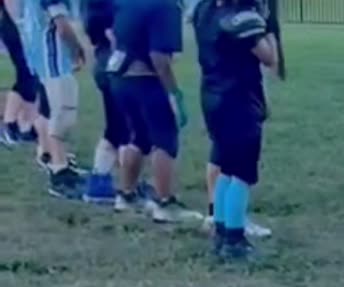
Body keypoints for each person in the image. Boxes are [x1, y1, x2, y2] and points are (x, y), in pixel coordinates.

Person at [191, 0, 277, 260]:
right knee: (241, 171)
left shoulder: (204, 9)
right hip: (238, 97)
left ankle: (221, 229)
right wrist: (268, 28)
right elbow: (268, 56)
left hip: (212, 93)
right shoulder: (241, 16)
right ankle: (235, 239)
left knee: (226, 165)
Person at [111, 0, 201, 222]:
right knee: (165, 139)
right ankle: (165, 203)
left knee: (139, 136)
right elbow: (159, 57)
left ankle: (126, 195)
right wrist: (173, 93)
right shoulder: (166, 7)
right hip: (146, 80)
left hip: (121, 78)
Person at [19, 0, 85, 199]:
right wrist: (76, 50)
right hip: (53, 63)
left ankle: (47, 154)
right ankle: (59, 171)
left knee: (47, 112)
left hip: (39, 60)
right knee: (63, 115)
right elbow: (62, 27)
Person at [82, 0, 127, 204]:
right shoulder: (109, 9)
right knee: (124, 130)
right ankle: (125, 186)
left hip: (103, 62)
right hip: (115, 66)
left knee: (118, 128)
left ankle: (104, 181)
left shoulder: (92, 9)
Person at [0, 0, 39, 147]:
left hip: (16, 24)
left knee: (29, 74)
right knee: (27, 72)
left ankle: (24, 126)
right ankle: (11, 125)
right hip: (14, 25)